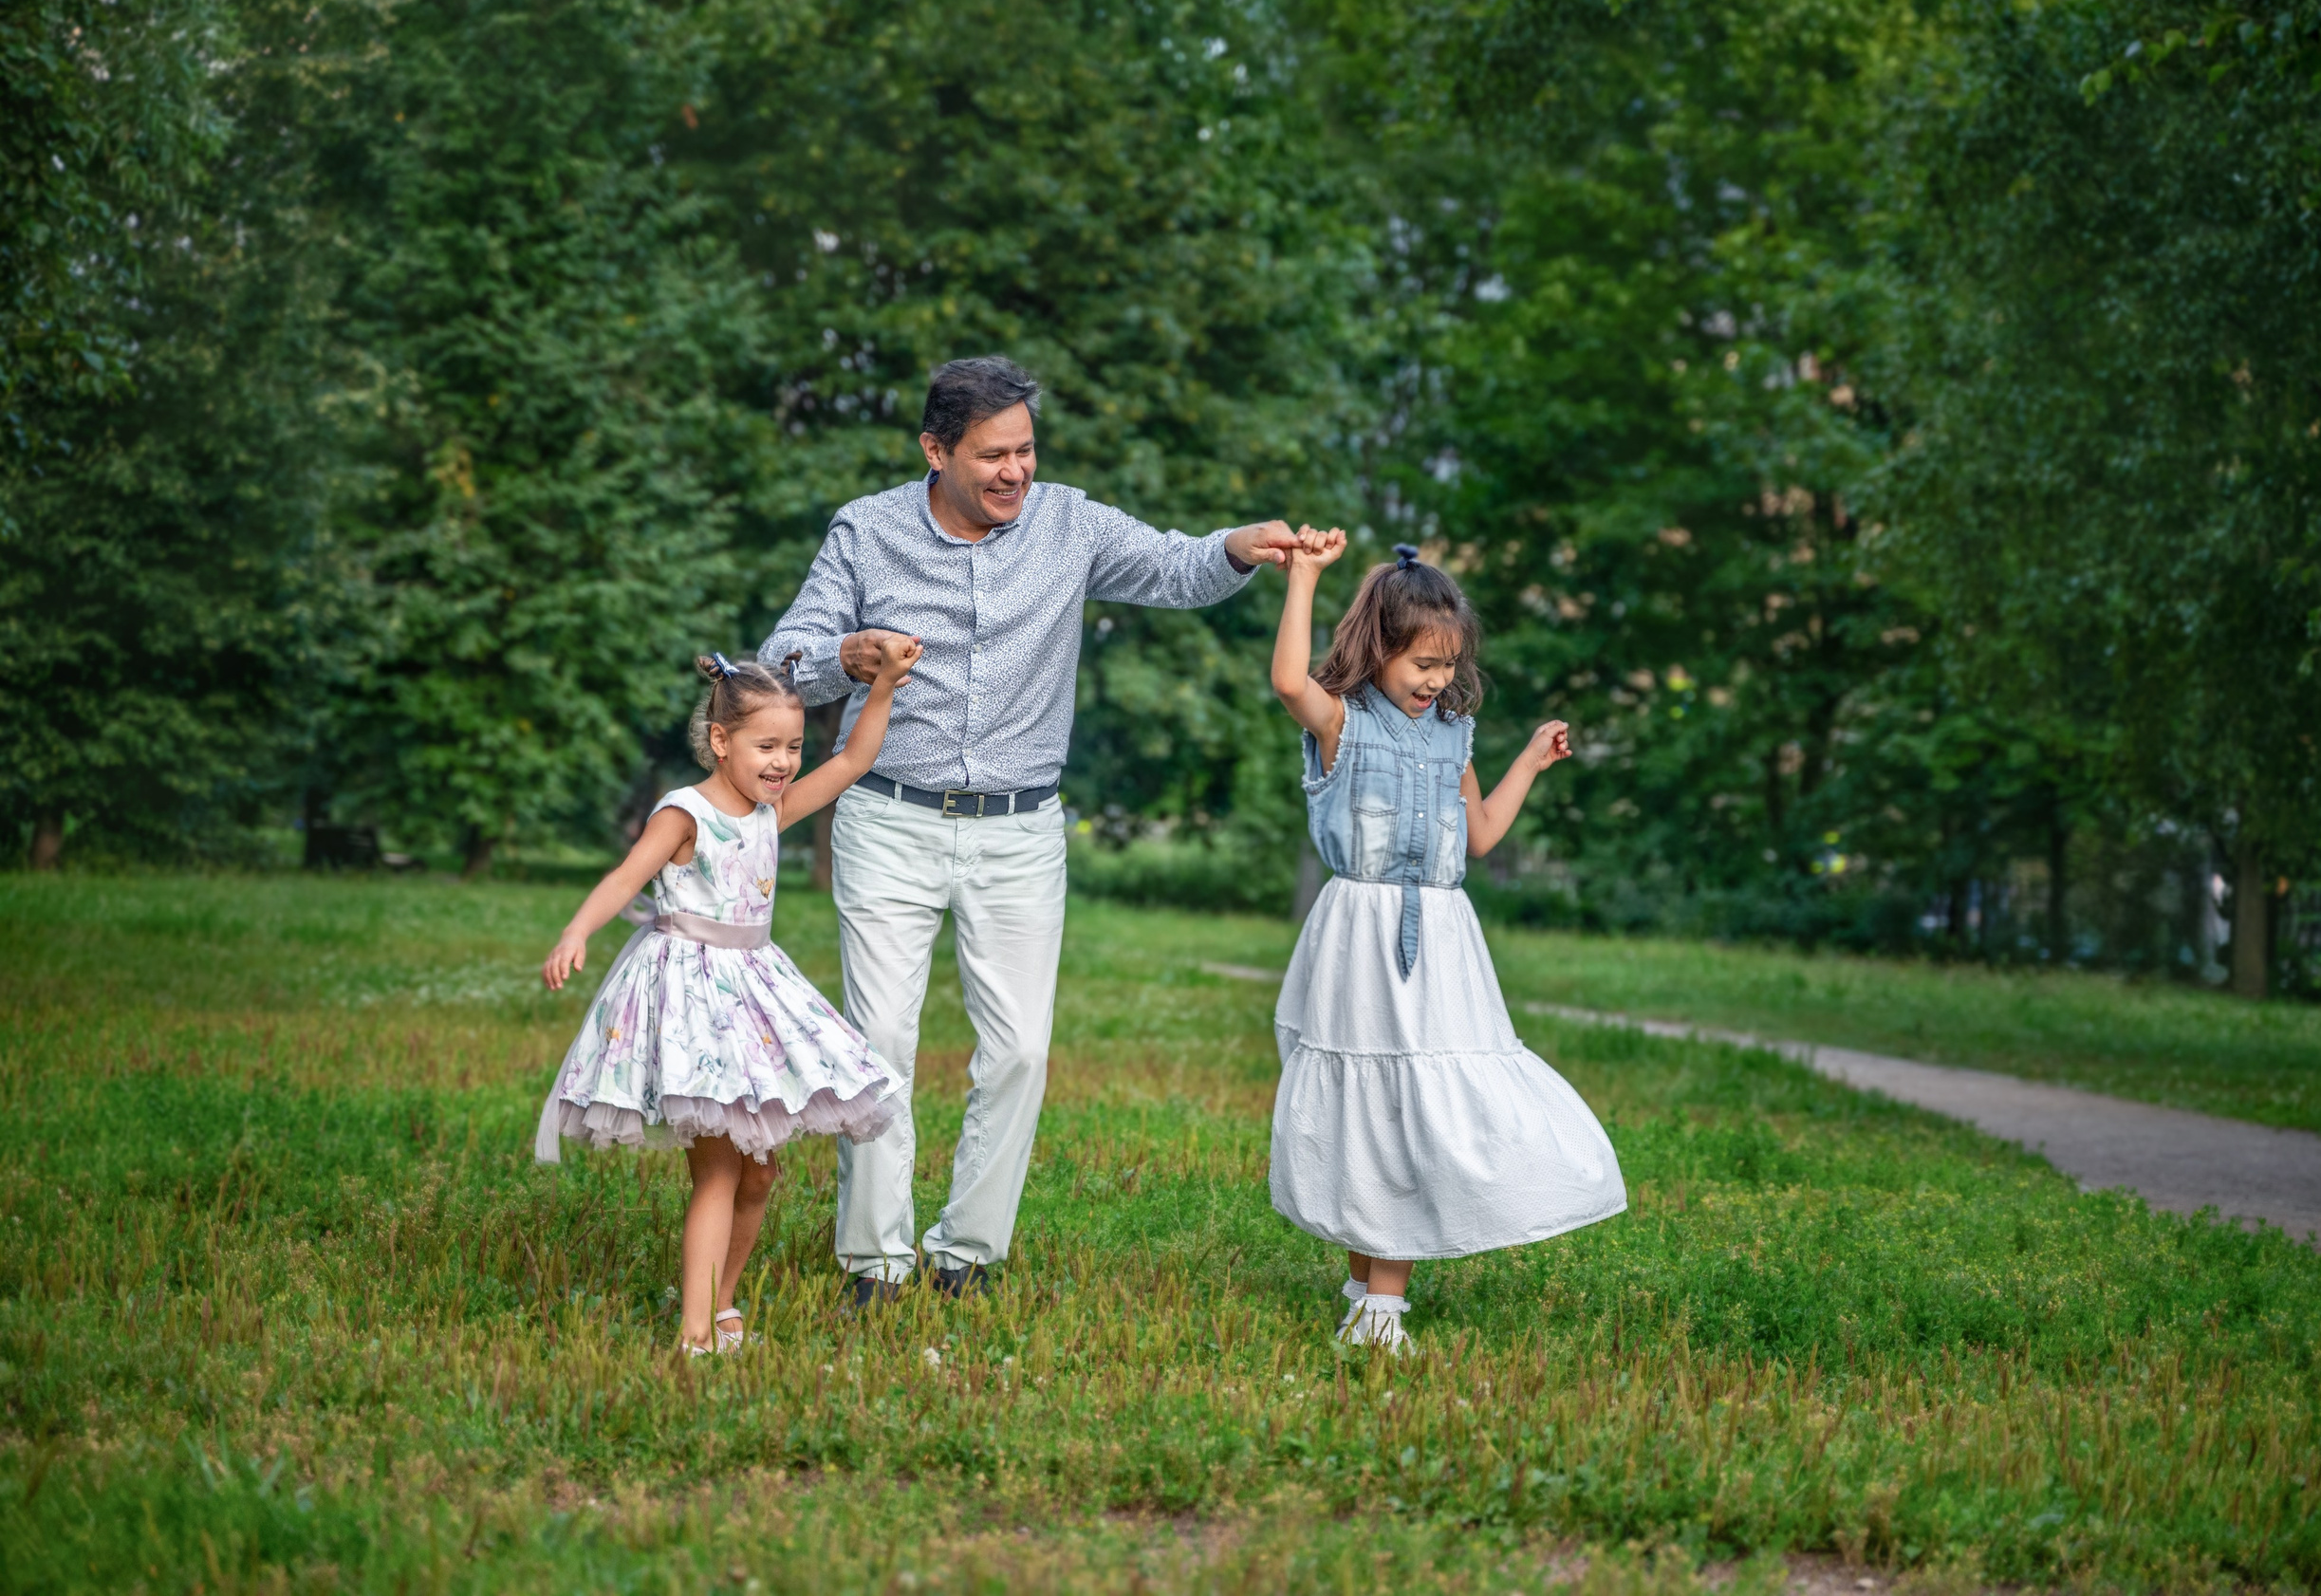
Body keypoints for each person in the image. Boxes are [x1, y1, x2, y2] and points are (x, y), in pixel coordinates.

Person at [760, 355, 1302, 1307]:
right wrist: (849, 654)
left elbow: (1178, 567)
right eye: (991, 455)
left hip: (1018, 829)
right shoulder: (867, 530)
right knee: (878, 1035)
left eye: (1026, 450)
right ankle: (874, 1264)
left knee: (1017, 1049)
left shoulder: (1070, 523)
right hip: (888, 814)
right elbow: (780, 660)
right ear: (935, 450)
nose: (1015, 471)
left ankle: (965, 1250)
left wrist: (1241, 543)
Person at [1266, 532, 1627, 1351]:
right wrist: (1305, 579)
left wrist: (1530, 761)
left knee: (1417, 1102)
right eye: (1421, 663)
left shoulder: (1453, 735)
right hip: (1359, 934)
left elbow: (1482, 835)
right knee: (1373, 1103)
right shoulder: (1343, 724)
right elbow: (1290, 677)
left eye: (1448, 664)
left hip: (1443, 942)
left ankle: (1376, 1300)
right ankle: (1373, 1299)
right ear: (1379, 648)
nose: (1436, 680)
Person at [532, 644, 922, 1354]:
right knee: (718, 1168)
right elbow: (626, 878)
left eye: (792, 745)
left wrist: (887, 685)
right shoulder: (685, 813)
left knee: (761, 1171)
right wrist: (575, 931)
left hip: (754, 992)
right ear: (721, 740)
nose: (783, 761)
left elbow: (851, 763)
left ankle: (721, 1301)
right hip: (692, 998)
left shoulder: (768, 813)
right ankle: (693, 1332)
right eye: (765, 745)